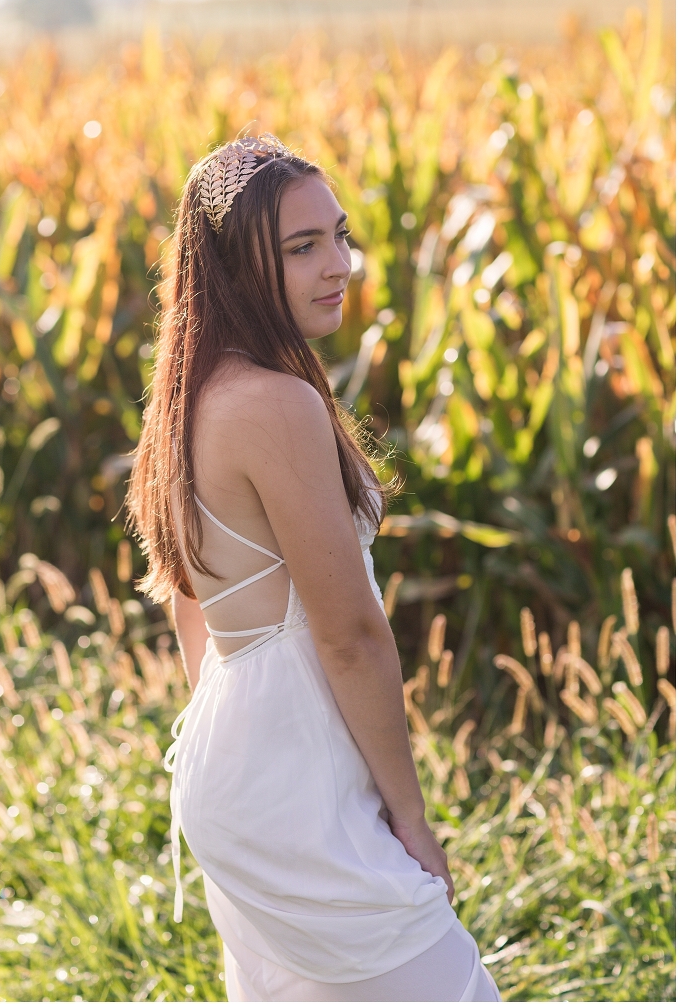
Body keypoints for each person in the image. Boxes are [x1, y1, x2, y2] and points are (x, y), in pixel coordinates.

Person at [127, 135, 500, 1002]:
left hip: (239, 771)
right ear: (235, 263)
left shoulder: (192, 391)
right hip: (291, 790)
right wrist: (408, 816)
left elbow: (190, 600)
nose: (339, 264)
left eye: (339, 235)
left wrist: (247, 733)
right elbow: (351, 636)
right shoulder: (274, 401)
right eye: (303, 248)